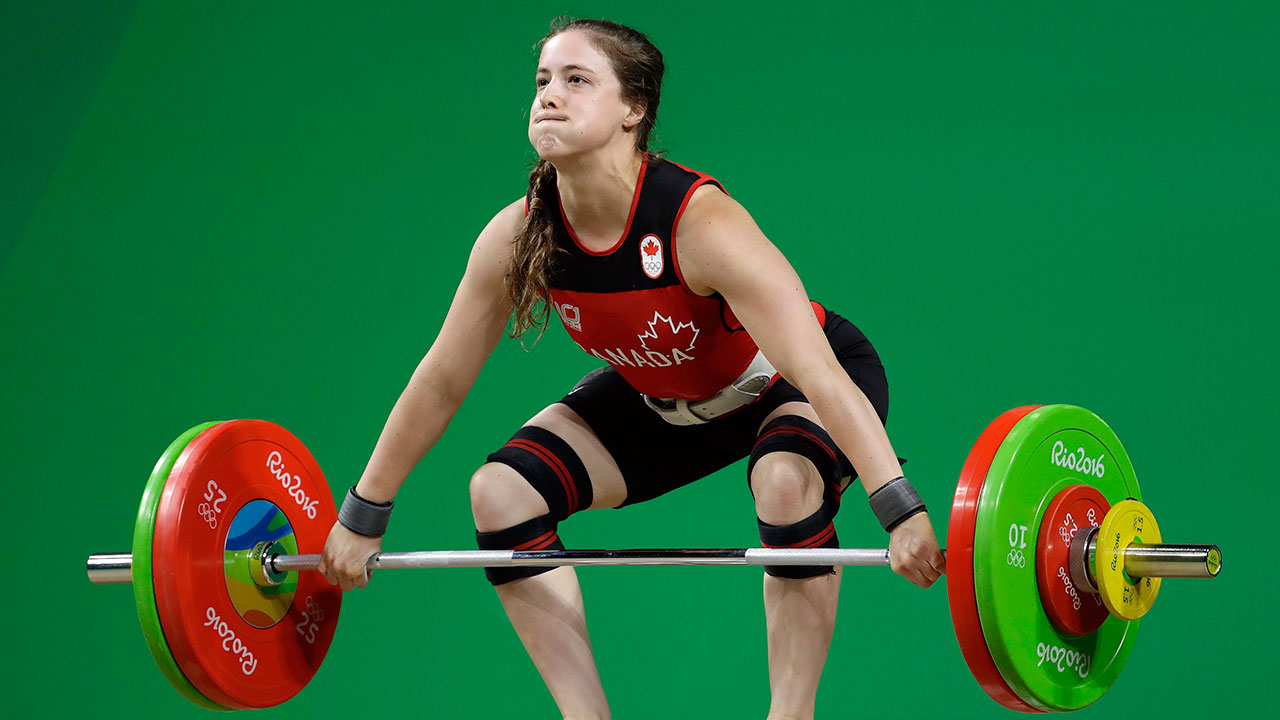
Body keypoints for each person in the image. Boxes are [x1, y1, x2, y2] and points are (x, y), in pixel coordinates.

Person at [318, 17, 945, 720]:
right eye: (542, 80)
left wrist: (900, 510)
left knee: (783, 481)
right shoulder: (521, 234)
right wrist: (362, 515)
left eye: (577, 80)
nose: (549, 96)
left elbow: (823, 375)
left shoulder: (698, 224)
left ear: (633, 110)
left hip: (793, 383)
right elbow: (441, 379)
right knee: (500, 493)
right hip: (664, 399)